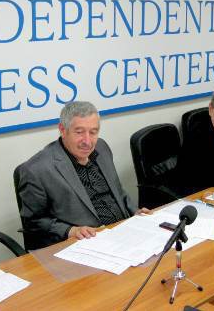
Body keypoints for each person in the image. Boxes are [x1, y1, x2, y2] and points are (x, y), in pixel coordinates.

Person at [14, 101, 149, 250]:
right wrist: (71, 231)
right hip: (83, 245)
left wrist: (135, 212)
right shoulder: (36, 169)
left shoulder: (102, 148)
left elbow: (118, 192)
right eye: (79, 132)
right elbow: (33, 222)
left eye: (93, 132)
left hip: (123, 234)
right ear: (63, 130)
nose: (87, 141)